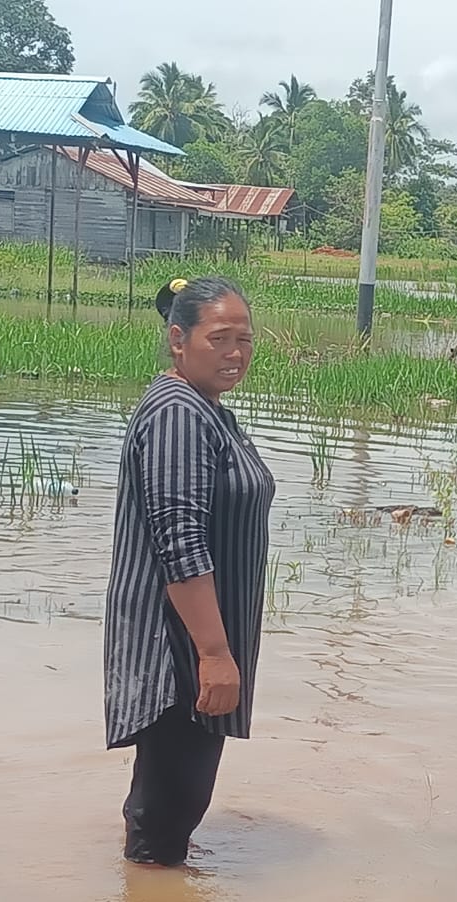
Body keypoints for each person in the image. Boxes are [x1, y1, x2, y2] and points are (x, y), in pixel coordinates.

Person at [103, 275, 276, 867]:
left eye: (245, 340)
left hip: (196, 641)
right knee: (165, 822)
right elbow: (179, 542)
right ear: (178, 339)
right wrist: (215, 654)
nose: (235, 353)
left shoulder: (205, 408)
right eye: (220, 338)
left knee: (169, 803)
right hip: (179, 648)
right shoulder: (179, 413)